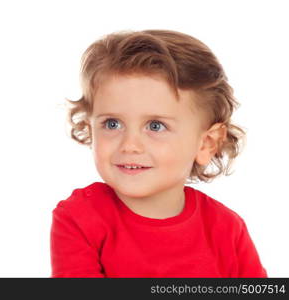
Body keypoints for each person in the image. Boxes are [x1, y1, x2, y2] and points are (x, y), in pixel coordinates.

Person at [50, 29, 267, 278]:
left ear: (206, 143)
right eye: (112, 124)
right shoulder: (80, 219)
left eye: (155, 126)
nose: (130, 145)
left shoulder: (227, 230)